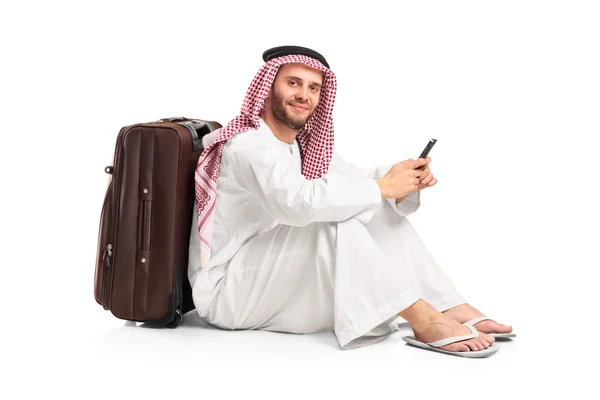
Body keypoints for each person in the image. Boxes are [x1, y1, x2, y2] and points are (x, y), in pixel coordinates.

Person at [188, 45, 514, 357]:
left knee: (374, 206)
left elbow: (352, 182)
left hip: (272, 275)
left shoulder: (303, 147)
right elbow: (297, 204)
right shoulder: (248, 145)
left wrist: (401, 178)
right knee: (335, 216)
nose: (304, 95)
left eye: (314, 88)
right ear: (269, 86)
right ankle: (423, 318)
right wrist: (381, 187)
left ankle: (446, 303)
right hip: (230, 292)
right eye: (293, 83)